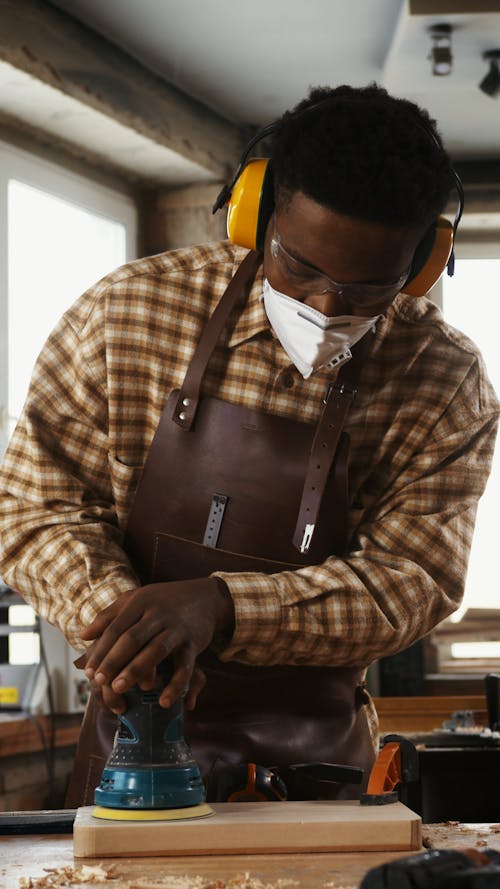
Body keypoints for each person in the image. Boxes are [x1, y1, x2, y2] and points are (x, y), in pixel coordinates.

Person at [0, 84, 498, 805]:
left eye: (368, 290)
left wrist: (219, 608)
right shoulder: (125, 311)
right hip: (130, 746)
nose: (327, 307)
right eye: (300, 267)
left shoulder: (445, 381)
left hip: (319, 763)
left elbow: (413, 579)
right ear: (255, 213)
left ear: (422, 264)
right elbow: (32, 505)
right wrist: (137, 633)